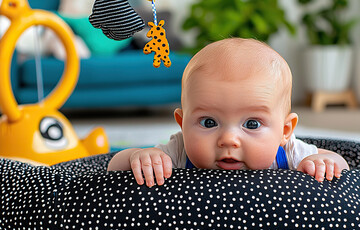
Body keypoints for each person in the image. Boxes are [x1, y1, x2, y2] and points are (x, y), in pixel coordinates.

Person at [107, 38, 349, 187]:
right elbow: (113, 169)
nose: (228, 140)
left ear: (284, 131)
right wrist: (138, 157)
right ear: (182, 123)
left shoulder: (289, 152)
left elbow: (341, 167)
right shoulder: (180, 150)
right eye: (209, 122)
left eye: (252, 124)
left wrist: (322, 163)